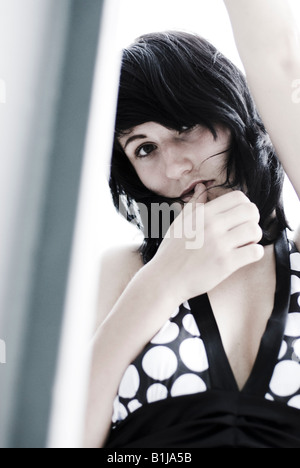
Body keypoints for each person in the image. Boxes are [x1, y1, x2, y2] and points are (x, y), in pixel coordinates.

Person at [84, 0, 300, 448]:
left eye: (186, 126)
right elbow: (51, 434)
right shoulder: (122, 273)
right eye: (144, 148)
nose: (176, 166)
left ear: (234, 113)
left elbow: (278, 57)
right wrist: (162, 282)